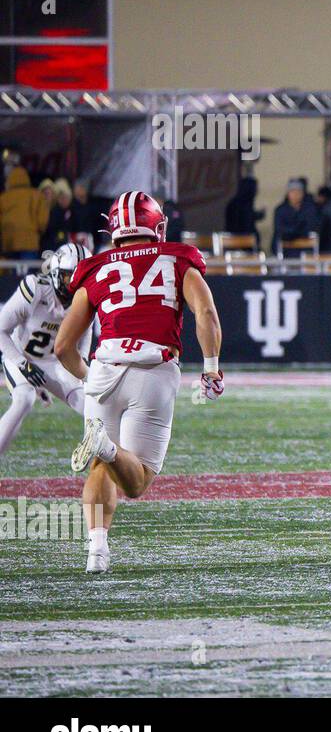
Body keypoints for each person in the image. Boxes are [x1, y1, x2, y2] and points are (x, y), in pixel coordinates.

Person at [53, 191, 224, 573]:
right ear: (155, 225)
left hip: (104, 368)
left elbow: (63, 346)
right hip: (153, 369)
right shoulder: (180, 260)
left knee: (99, 465)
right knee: (136, 482)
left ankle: (97, 552)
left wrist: (88, 381)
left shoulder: (95, 268)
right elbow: (206, 312)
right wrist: (211, 366)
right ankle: (109, 449)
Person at [0, 243, 91, 458]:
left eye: (81, 277)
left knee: (92, 407)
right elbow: (1, 330)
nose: (74, 283)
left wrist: (82, 363)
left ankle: (106, 465)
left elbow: (86, 333)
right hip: (21, 356)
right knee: (24, 398)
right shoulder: (35, 288)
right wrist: (22, 364)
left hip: (55, 362)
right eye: (70, 276)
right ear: (57, 274)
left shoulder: (85, 298)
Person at [0, 164, 50, 260]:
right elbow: (42, 220)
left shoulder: (3, 198)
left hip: (9, 242)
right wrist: (39, 231)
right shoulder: (36, 195)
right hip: (30, 241)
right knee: (28, 272)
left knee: (12, 272)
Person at [271, 178, 320, 254]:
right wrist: (296, 231)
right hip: (285, 251)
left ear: (303, 193)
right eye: (292, 191)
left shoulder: (310, 209)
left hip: (305, 250)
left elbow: (310, 229)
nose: (295, 194)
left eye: (298, 191)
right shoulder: (280, 210)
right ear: (288, 193)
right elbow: (280, 231)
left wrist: (294, 233)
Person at [224, 175, 264, 247]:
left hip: (233, 243)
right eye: (255, 188)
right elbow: (245, 225)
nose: (257, 191)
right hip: (242, 244)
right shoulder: (244, 204)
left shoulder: (234, 203)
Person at [41, 179, 76, 250]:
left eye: (66, 197)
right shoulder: (55, 212)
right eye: (61, 197)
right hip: (53, 247)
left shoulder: (72, 211)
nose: (64, 200)